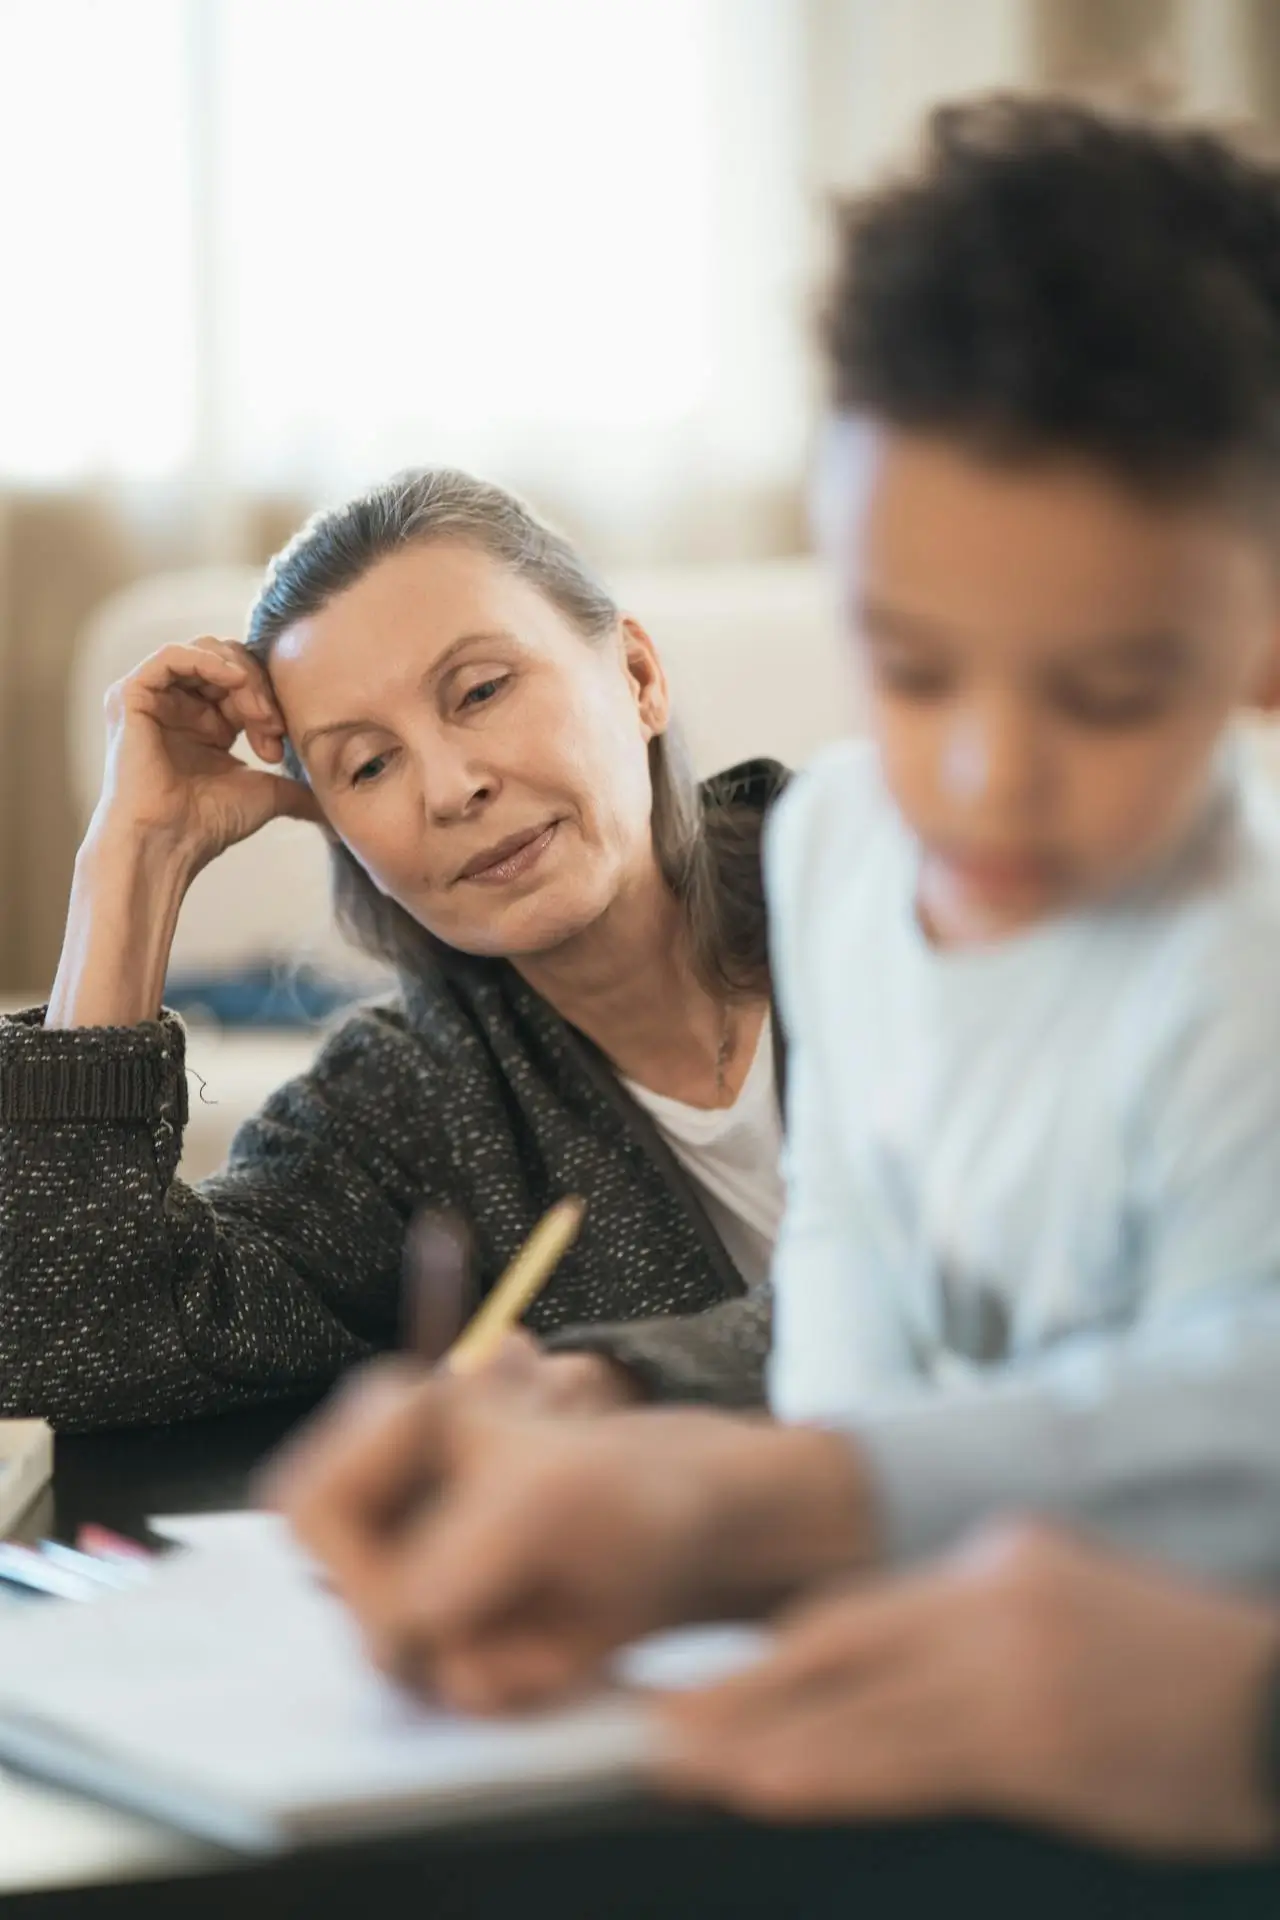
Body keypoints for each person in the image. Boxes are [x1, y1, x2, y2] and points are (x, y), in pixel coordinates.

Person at [271, 94, 1280, 1852]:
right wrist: (674, 1455)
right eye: (908, 666)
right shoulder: (838, 855)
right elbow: (853, 1313)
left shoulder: (1242, 942)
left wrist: (755, 1506)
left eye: (1109, 695)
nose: (981, 779)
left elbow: (1240, 1425)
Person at [0, 471, 787, 1429]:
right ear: (341, 833)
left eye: (482, 690)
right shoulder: (412, 1097)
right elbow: (66, 1355)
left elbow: (945, 1304)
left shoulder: (890, 892)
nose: (451, 789)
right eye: (368, 764)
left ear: (636, 677)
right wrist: (130, 859)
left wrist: (621, 1379)